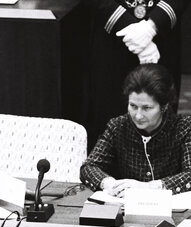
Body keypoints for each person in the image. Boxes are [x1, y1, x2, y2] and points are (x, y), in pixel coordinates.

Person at [78, 0, 190, 148]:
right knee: (108, 126)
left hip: (162, 36)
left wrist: (152, 25)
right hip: (111, 40)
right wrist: (128, 26)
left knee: (162, 127)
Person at [80, 63, 191, 197]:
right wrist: (109, 184)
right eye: (133, 106)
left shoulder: (184, 128)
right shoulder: (118, 126)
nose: (138, 115)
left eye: (146, 108)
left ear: (164, 106)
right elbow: (89, 167)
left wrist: (152, 187)